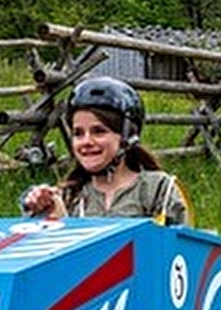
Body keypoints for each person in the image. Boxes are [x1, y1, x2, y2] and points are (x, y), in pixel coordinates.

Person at [21, 76, 191, 225]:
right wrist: (42, 210)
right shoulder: (68, 197)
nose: (86, 142)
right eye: (78, 133)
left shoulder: (158, 189)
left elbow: (179, 252)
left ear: (127, 136)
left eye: (99, 131)